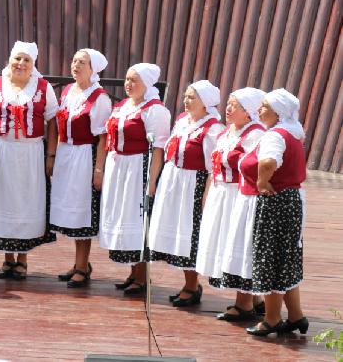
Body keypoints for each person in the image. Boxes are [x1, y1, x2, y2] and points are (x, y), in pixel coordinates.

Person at [0, 41, 58, 280]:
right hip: (2, 150)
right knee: (4, 201)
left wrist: (51, 154)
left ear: (33, 65)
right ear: (10, 60)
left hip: (31, 153)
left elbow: (53, 121)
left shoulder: (44, 88)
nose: (21, 64)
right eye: (17, 59)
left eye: (26, 60)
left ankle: (23, 259)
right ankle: (7, 258)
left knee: (27, 202)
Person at [148, 80, 225, 306]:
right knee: (176, 229)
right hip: (174, 180)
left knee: (190, 233)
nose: (186, 100)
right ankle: (188, 283)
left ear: (206, 103)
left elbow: (214, 167)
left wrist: (206, 196)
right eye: (186, 95)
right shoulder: (182, 120)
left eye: (192, 97)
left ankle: (192, 285)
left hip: (194, 183)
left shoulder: (213, 129)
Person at [99, 63, 171, 295]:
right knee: (123, 218)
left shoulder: (155, 110)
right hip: (119, 167)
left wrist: (151, 183)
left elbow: (158, 149)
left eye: (134, 81)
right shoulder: (122, 106)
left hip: (138, 167)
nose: (129, 85)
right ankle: (132, 273)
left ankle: (141, 276)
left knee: (137, 220)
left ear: (147, 84)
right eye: (127, 80)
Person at [196, 88, 266, 321]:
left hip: (239, 195)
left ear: (249, 112)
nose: (228, 108)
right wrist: (208, 194)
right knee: (225, 243)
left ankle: (244, 303)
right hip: (221, 194)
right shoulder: (227, 132)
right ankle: (254, 298)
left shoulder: (256, 135)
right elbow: (214, 167)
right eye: (228, 103)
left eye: (234, 105)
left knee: (238, 245)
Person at [242, 89, 308, 336]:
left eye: (264, 107)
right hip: (291, 200)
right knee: (286, 257)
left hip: (276, 201)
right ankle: (296, 316)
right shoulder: (292, 133)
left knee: (269, 257)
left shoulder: (276, 135)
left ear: (278, 112)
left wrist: (261, 182)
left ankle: (271, 319)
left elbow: (269, 162)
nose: (259, 111)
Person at [49, 49, 111, 288]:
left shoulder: (99, 98)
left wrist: (98, 169)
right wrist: (53, 155)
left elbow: (103, 137)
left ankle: (83, 266)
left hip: (85, 155)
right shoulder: (67, 91)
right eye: (74, 60)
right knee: (71, 211)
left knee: (82, 210)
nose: (75, 65)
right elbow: (56, 125)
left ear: (92, 68)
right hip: (66, 153)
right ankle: (79, 263)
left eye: (82, 62)